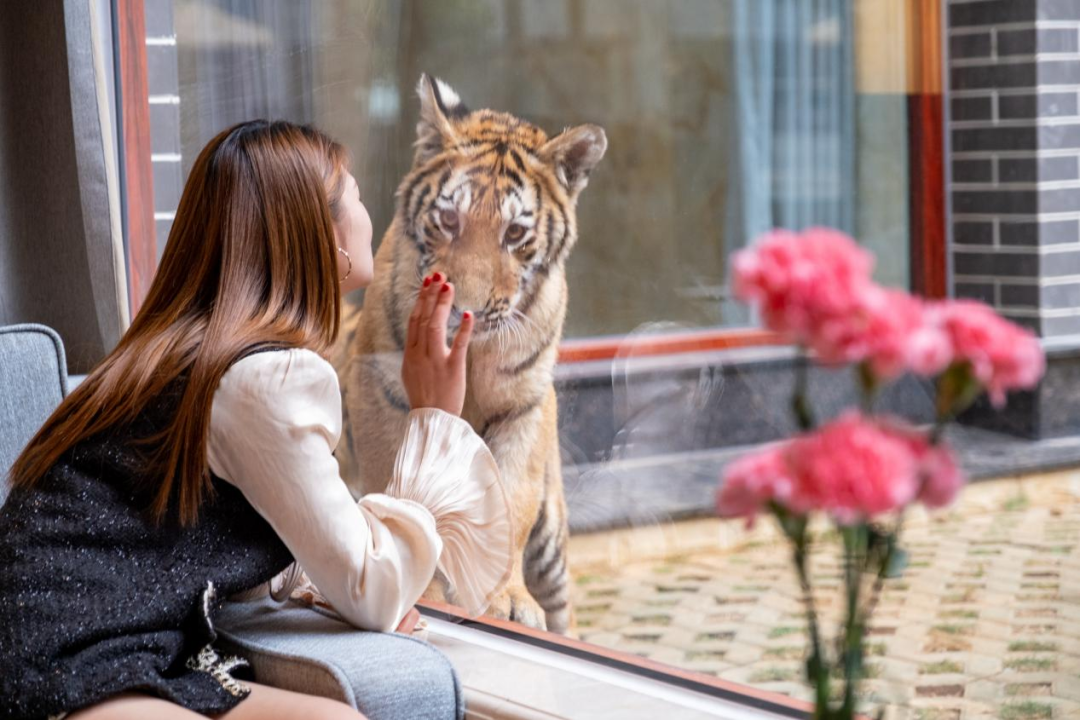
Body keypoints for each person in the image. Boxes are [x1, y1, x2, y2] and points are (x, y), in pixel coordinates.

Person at [0, 120, 512, 720]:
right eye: (355, 193)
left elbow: (277, 542)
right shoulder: (267, 379)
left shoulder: (192, 354)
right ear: (325, 236)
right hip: (54, 656)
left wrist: (337, 587)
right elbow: (373, 588)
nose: (371, 212)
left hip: (106, 642)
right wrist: (433, 420)